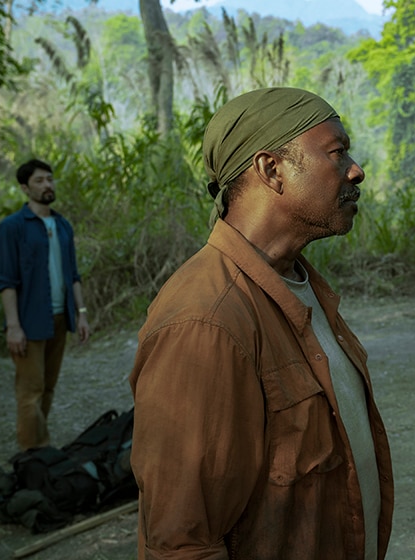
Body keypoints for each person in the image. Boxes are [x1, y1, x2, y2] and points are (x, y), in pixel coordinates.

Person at [129, 88, 394, 560]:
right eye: (337, 152)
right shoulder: (206, 322)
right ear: (271, 169)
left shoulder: (302, 285)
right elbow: (182, 542)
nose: (356, 170)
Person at [0, 159, 91, 450]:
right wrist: (13, 326)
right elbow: (6, 280)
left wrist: (82, 314)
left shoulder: (62, 226)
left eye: (50, 179)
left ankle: (39, 448)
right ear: (25, 188)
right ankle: (31, 455)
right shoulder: (12, 228)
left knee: (47, 388)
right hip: (29, 321)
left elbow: (73, 275)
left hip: (60, 319)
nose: (47, 185)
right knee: (30, 391)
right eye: (39, 180)